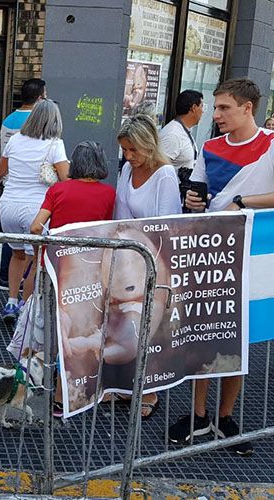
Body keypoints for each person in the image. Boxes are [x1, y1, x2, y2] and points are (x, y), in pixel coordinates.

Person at [171, 79, 274, 456]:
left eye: (224, 108)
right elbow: (197, 196)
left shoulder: (270, 144)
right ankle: (198, 415)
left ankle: (225, 416)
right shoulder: (210, 147)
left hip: (253, 257)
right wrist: (195, 202)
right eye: (214, 108)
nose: (215, 116)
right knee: (205, 334)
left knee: (238, 337)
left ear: (248, 108)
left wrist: (243, 201)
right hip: (211, 251)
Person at [29, 141, 116, 418]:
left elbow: (35, 226)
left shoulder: (57, 190)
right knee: (82, 332)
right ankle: (73, 393)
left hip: (57, 268)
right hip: (89, 274)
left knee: (57, 332)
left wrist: (40, 254)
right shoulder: (109, 194)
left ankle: (50, 390)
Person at [114, 113, 180, 420]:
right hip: (131, 256)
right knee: (125, 324)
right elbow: (120, 211)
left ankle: (150, 390)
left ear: (148, 146)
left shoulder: (165, 175)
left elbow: (166, 224)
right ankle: (127, 385)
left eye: (133, 150)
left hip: (156, 260)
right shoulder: (127, 168)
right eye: (125, 150)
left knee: (150, 327)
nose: (128, 156)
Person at [0, 99, 69, 322]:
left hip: (8, 205)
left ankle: (10, 302)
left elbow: (0, 170)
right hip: (35, 210)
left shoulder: (16, 139)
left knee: (16, 255)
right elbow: (66, 178)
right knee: (35, 260)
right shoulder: (55, 144)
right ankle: (25, 310)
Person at [0, 78, 47, 290]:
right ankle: (24, 297)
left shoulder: (8, 120)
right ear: (41, 96)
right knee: (31, 251)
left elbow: (1, 162)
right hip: (33, 192)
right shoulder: (39, 124)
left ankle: (7, 284)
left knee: (12, 240)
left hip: (9, 187)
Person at [159, 90, 204, 189]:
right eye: (202, 106)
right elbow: (158, 169)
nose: (203, 111)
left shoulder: (183, 130)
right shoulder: (173, 134)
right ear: (194, 108)